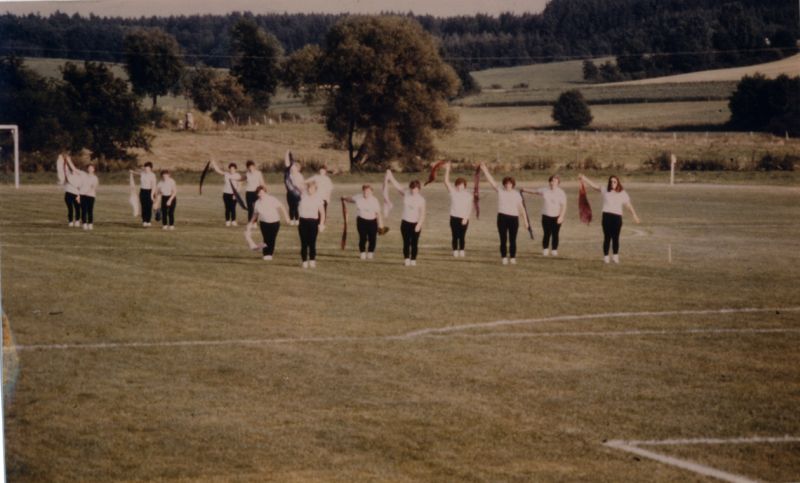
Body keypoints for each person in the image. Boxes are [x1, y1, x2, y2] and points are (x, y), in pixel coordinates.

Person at [578, 174, 641, 264]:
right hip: (606, 216)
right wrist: (584, 178)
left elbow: (628, 205)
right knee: (607, 237)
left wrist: (634, 215)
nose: (612, 183)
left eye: (614, 182)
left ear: (617, 183)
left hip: (617, 217)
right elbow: (594, 186)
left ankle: (615, 257)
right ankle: (606, 257)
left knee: (615, 237)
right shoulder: (605, 190)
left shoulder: (622, 193)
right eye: (611, 182)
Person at [480, 163, 529, 265]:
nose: (508, 185)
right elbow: (491, 181)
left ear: (512, 184)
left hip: (513, 218)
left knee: (512, 239)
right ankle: (504, 257)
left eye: (509, 184)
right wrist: (485, 170)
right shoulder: (500, 191)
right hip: (502, 217)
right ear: (504, 184)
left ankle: (512, 257)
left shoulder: (516, 194)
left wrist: (525, 221)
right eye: (506, 184)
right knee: (503, 239)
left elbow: (521, 208)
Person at [386, 170, 426, 266]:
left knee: (414, 243)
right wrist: (390, 177)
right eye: (412, 188)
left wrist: (419, 225)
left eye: (415, 189)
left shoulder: (421, 200)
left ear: (419, 189)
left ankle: (413, 259)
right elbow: (397, 186)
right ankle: (406, 259)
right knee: (406, 242)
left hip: (415, 223)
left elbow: (423, 214)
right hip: (405, 223)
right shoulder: (406, 194)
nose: (413, 191)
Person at [521, 174, 567, 257]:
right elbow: (535, 191)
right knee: (546, 233)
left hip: (556, 216)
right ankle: (545, 249)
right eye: (551, 181)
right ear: (549, 182)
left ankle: (554, 250)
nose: (553, 183)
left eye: (555, 181)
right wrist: (524, 190)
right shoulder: (545, 190)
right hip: (546, 216)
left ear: (558, 183)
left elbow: (563, 206)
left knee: (555, 234)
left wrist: (561, 216)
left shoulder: (561, 193)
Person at [342, 185, 385, 260]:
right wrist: (344, 198)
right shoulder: (358, 197)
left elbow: (378, 213)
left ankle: (370, 253)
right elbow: (351, 199)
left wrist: (381, 225)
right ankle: (362, 253)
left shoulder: (374, 200)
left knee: (372, 238)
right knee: (362, 237)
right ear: (363, 191)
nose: (366, 193)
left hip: (372, 221)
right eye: (365, 191)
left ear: (371, 192)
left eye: (368, 191)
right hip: (361, 221)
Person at [250, 185, 291, 261]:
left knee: (272, 238)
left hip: (274, 222)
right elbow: (255, 214)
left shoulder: (271, 199)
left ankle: (269, 254)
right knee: (266, 238)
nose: (261, 194)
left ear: (265, 192)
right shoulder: (257, 203)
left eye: (262, 192)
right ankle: (266, 254)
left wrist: (287, 217)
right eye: (259, 193)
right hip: (263, 223)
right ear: (257, 194)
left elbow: (281, 206)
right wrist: (251, 223)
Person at [443, 162, 472, 257]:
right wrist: (447, 169)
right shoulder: (453, 192)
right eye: (458, 185)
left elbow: (469, 208)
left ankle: (462, 250)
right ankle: (455, 250)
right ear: (456, 186)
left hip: (463, 218)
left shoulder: (468, 195)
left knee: (462, 236)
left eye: (462, 185)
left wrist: (466, 218)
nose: (460, 187)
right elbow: (446, 182)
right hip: (454, 217)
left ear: (465, 186)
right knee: (455, 235)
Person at [297, 180, 326, 268]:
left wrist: (321, 224)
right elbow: (298, 184)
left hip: (313, 222)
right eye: (309, 188)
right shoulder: (303, 195)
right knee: (304, 242)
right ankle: (304, 261)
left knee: (312, 242)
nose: (310, 190)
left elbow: (322, 213)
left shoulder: (318, 199)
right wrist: (307, 183)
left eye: (313, 188)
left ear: (315, 189)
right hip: (303, 221)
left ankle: (312, 260)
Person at [211, 160, 243, 226]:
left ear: (235, 169)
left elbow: (239, 186)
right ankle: (227, 221)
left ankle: (233, 221)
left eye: (233, 169)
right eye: (230, 169)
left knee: (233, 208)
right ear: (229, 169)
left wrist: (235, 194)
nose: (232, 170)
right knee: (227, 208)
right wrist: (214, 164)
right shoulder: (226, 174)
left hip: (234, 194)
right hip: (226, 193)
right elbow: (218, 171)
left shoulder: (238, 175)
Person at [72, 161, 98, 231]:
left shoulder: (95, 178)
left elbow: (93, 187)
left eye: (91, 168)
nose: (90, 169)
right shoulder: (83, 175)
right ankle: (84, 224)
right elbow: (74, 169)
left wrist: (85, 192)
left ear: (94, 169)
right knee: (84, 210)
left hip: (91, 196)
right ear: (87, 169)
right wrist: (68, 160)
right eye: (89, 168)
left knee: (90, 210)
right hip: (83, 196)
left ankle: (90, 224)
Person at [130, 162, 157, 227]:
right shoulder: (143, 173)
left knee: (149, 207)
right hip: (142, 191)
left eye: (147, 168)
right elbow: (138, 173)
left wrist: (152, 195)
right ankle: (144, 221)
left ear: (150, 168)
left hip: (150, 191)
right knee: (143, 207)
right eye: (145, 168)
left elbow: (154, 186)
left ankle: (148, 221)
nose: (146, 169)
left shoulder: (152, 175)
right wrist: (132, 172)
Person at [58, 153, 82, 227]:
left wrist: (68, 160)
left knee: (77, 208)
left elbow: (81, 187)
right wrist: (63, 160)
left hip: (77, 194)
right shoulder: (68, 175)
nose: (73, 170)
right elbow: (63, 169)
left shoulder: (80, 176)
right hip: (68, 194)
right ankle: (70, 221)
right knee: (70, 209)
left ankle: (77, 221)